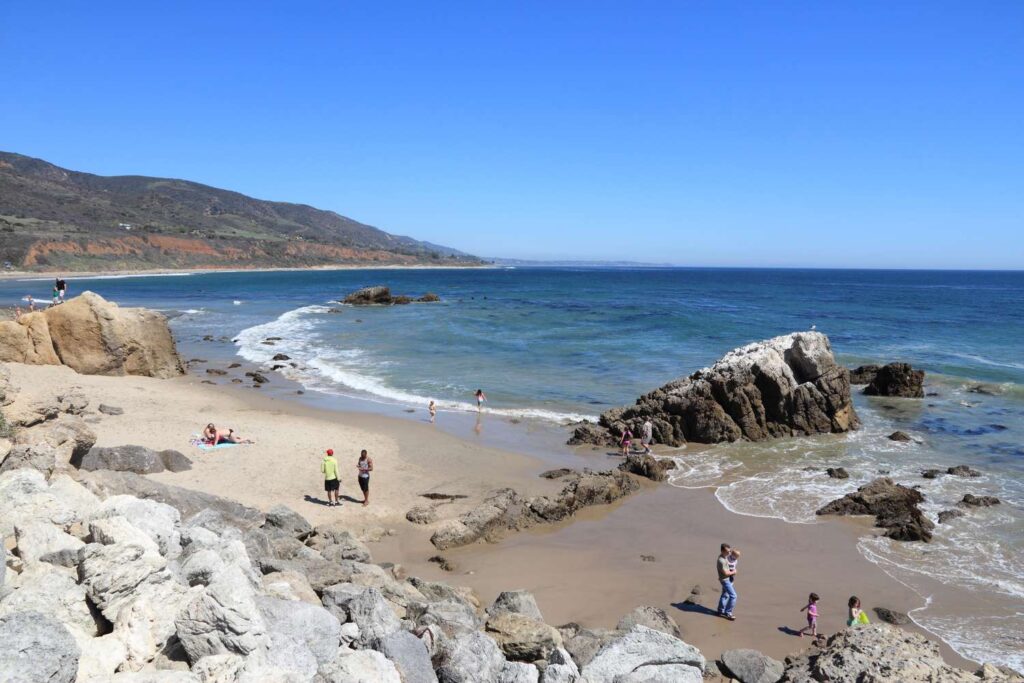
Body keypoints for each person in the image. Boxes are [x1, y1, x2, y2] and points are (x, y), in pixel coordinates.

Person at [717, 543, 737, 620]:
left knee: (725, 595)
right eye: (728, 551)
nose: (729, 553)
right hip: (725, 580)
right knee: (733, 596)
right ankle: (728, 613)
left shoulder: (724, 557)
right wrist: (734, 572)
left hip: (725, 579)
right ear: (722, 551)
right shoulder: (721, 560)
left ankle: (720, 611)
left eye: (730, 551)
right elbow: (725, 572)